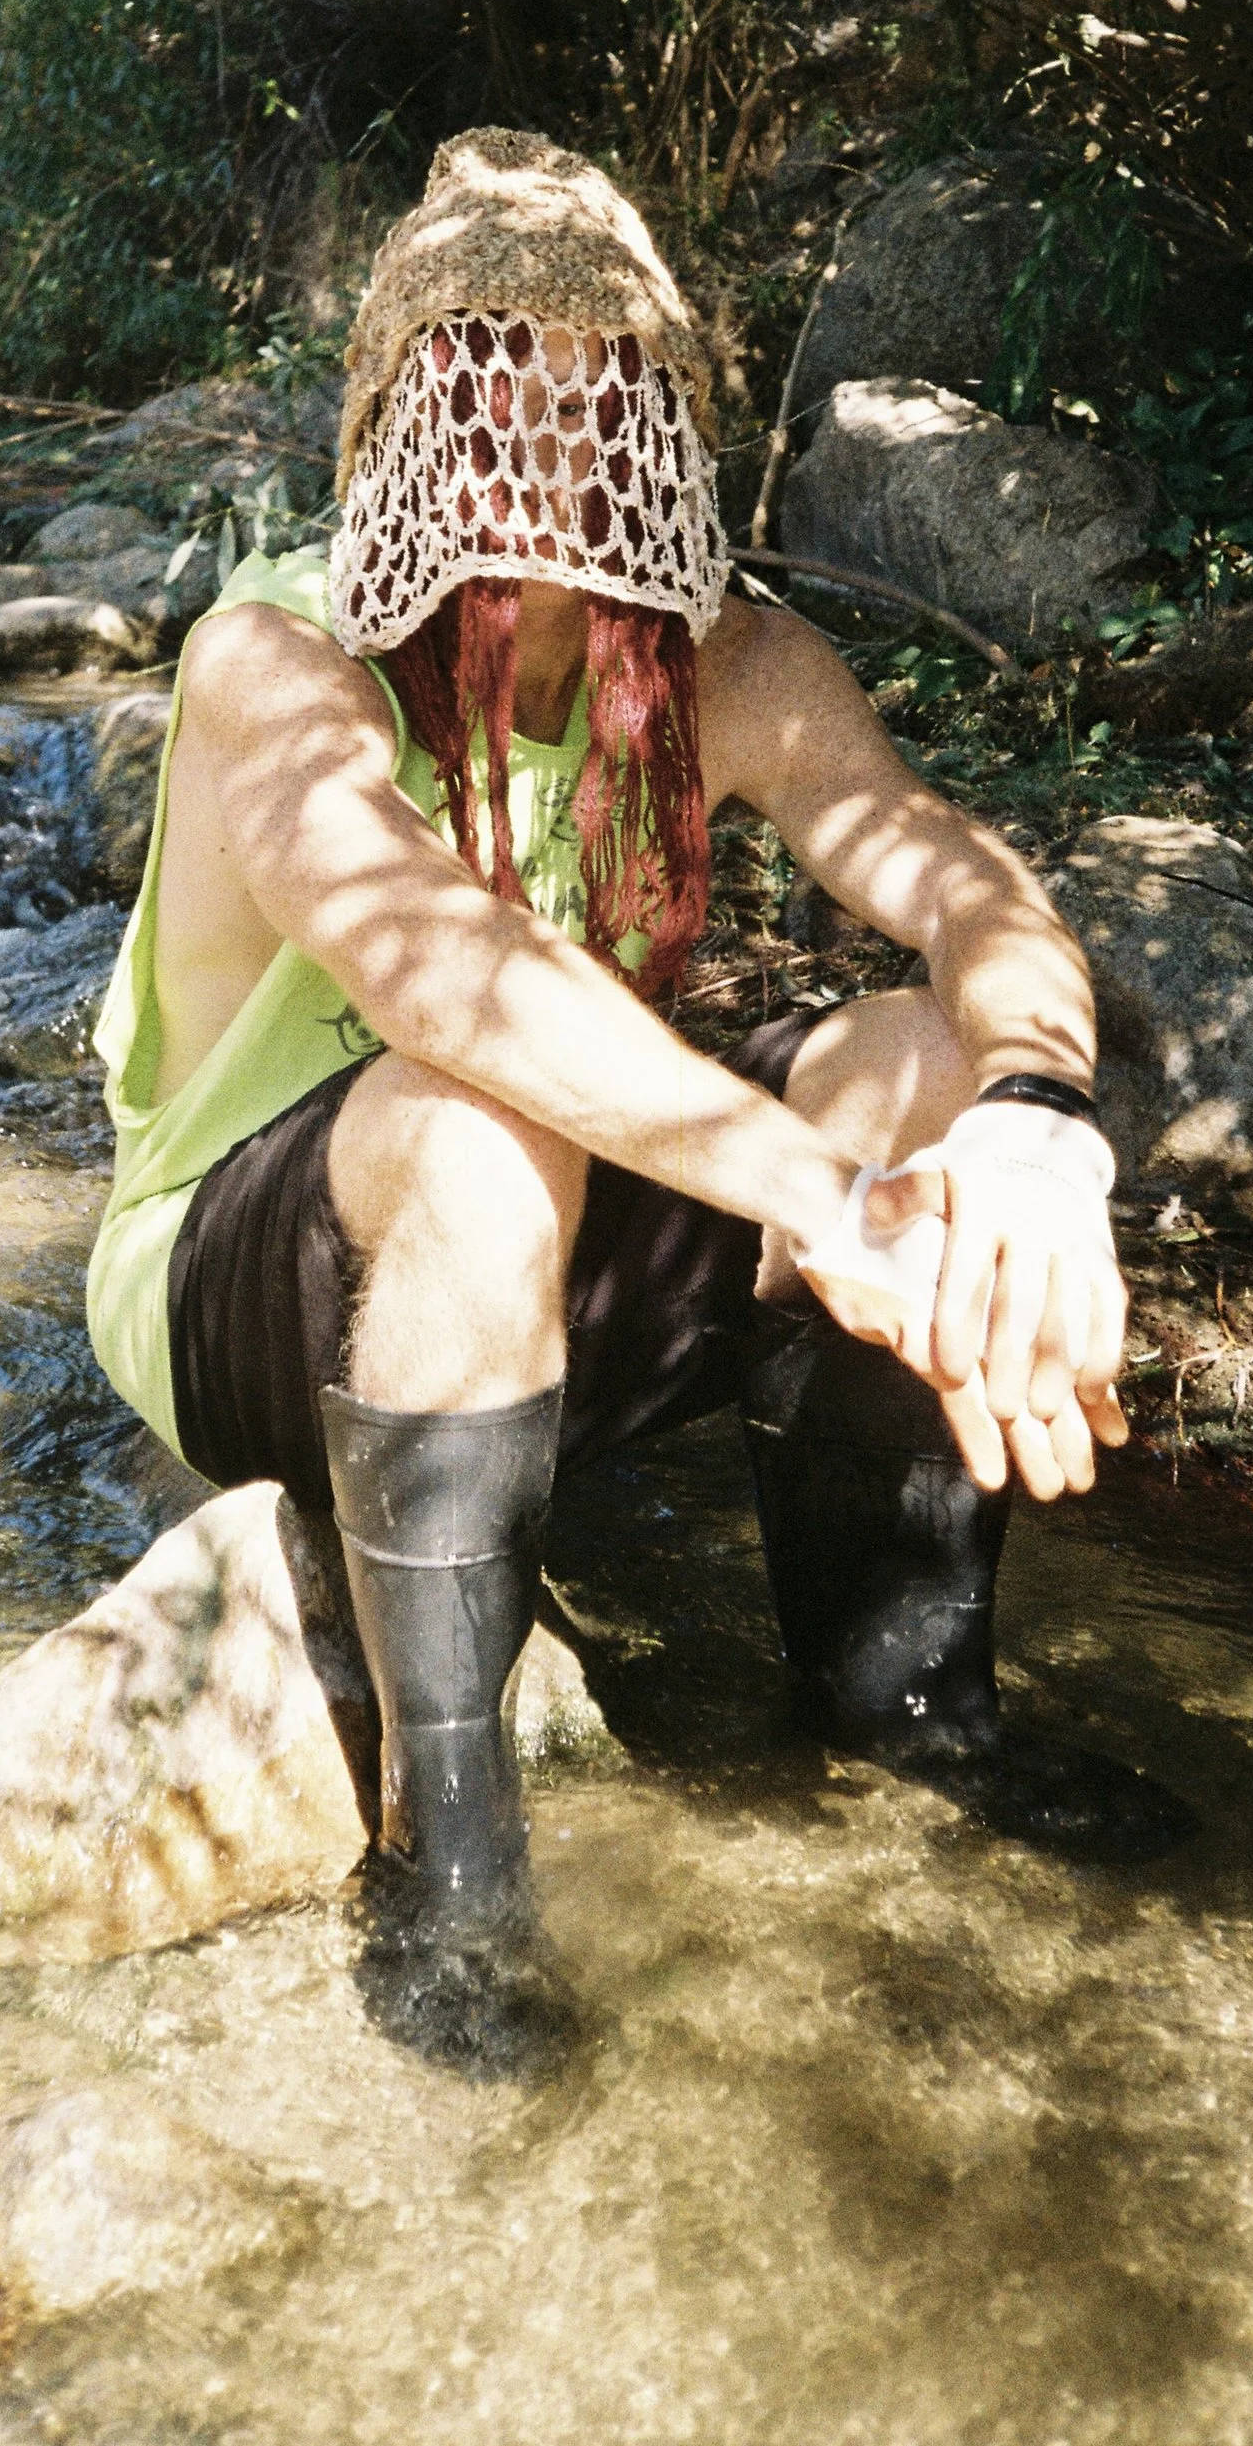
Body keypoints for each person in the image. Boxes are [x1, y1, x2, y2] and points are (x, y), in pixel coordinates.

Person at [88, 128, 1179, 2062]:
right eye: (490, 383)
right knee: (479, 1116)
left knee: (922, 1066)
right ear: (402, 418)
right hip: (251, 1282)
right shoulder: (283, 654)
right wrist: (815, 1199)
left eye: (597, 390)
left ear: (666, 414)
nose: (547, 441)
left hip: (539, 1256)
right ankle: (452, 1874)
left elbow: (957, 881)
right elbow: (442, 973)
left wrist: (1030, 1118)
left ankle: (907, 1703)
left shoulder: (730, 665)